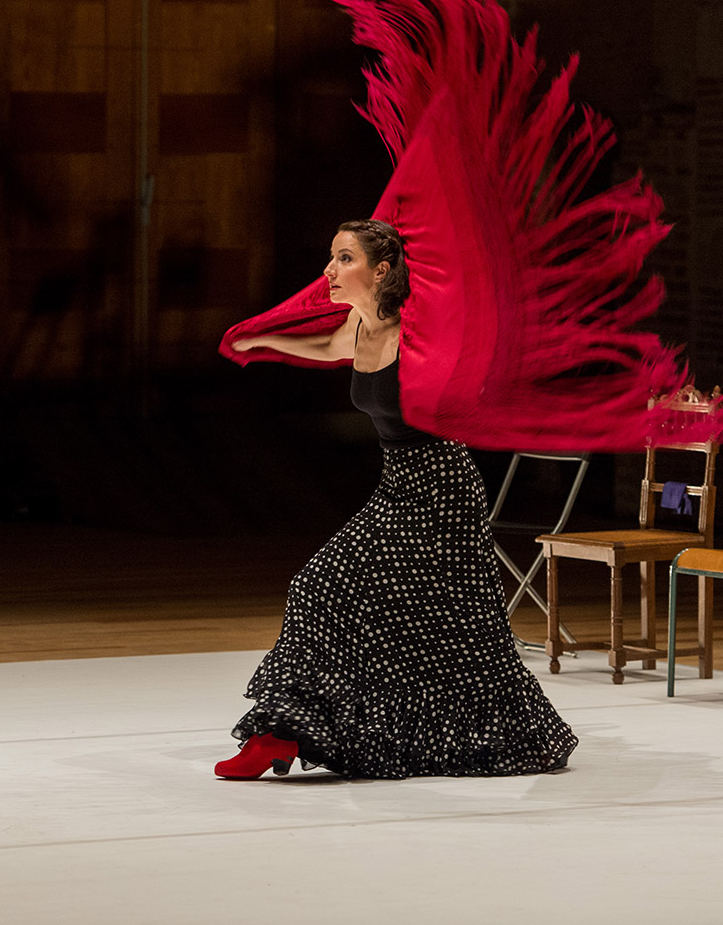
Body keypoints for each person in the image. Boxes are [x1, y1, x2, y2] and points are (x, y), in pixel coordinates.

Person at [214, 218, 578, 780]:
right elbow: (322, 347)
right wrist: (261, 339)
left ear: (380, 270)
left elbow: (477, 324)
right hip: (399, 483)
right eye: (332, 259)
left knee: (428, 616)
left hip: (443, 490)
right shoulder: (358, 328)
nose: (330, 271)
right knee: (382, 607)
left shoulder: (421, 332)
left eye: (343, 259)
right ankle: (286, 731)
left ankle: (289, 733)